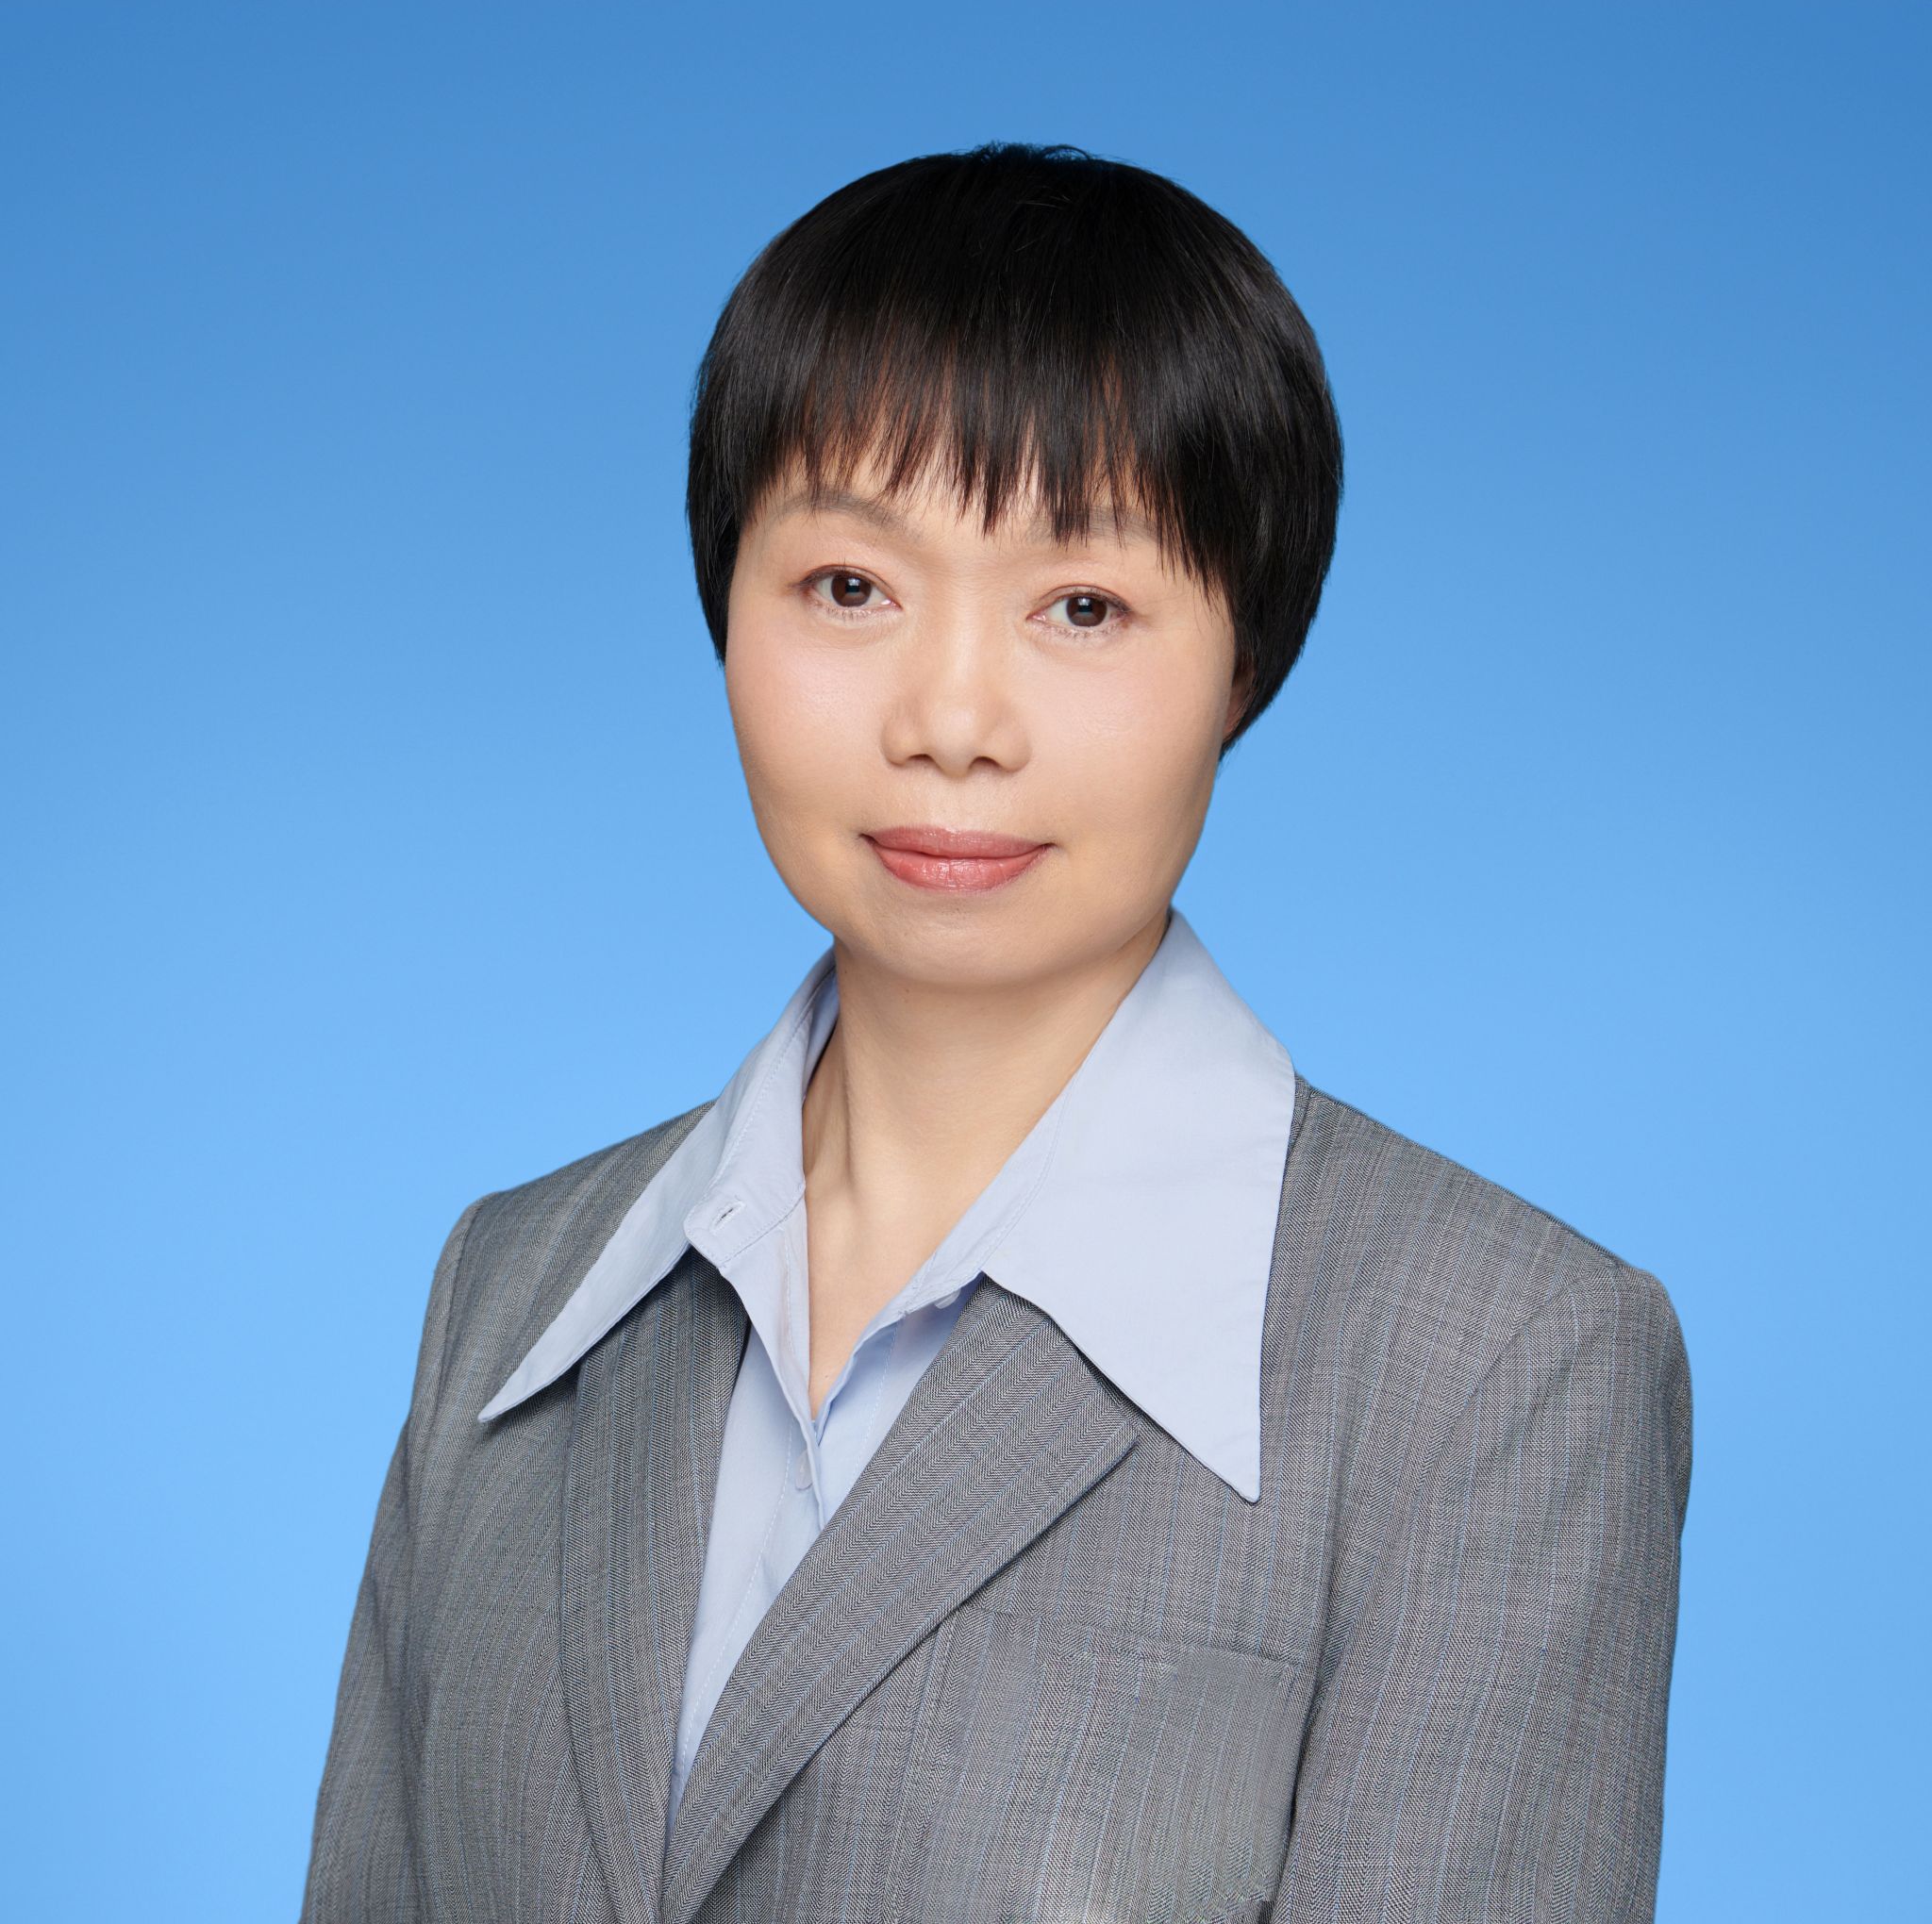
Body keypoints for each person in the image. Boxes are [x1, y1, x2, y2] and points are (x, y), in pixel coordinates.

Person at [300, 141, 1691, 1924]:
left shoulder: (1501, 1366)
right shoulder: (512, 1290)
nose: (952, 720)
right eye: (850, 588)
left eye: (1083, 606)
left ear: (1246, 660)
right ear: (723, 606)